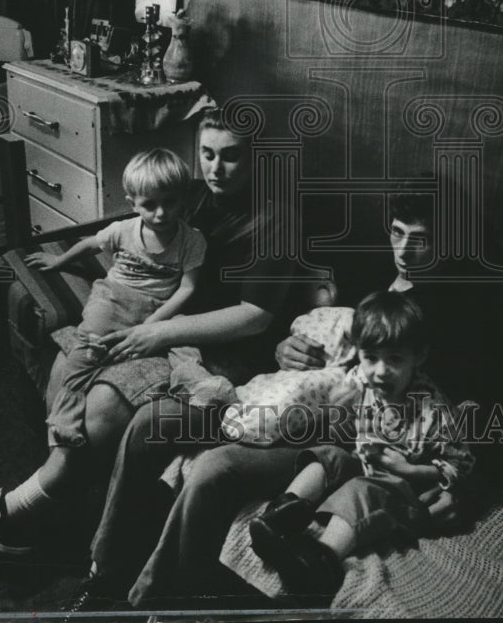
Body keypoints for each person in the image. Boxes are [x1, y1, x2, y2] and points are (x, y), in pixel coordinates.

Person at [74, 189, 479, 609]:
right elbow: (309, 320)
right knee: (153, 423)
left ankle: (163, 600)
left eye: (422, 239)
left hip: (341, 437)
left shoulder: (460, 313)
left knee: (215, 467)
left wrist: (459, 487)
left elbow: (484, 416)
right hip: (291, 393)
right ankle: (105, 572)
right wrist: (286, 346)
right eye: (398, 233)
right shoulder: (369, 273)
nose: (405, 250)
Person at [0, 108, 295, 558]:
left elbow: (255, 316)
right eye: (207, 153)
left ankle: (20, 508)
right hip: (162, 319)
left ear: (257, 156)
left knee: (103, 405)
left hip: (220, 344)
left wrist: (159, 333)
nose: (215, 168)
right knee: (69, 363)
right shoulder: (194, 194)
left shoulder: (275, 218)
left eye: (232, 156)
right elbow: (143, 235)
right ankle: (61, 499)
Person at [0, 148, 206, 550]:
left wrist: (155, 326)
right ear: (133, 203)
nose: (162, 214)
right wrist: (58, 262)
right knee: (83, 355)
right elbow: (92, 245)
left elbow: (188, 288)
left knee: (138, 360)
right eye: (151, 205)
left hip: (154, 313)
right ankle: (62, 435)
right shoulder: (125, 230)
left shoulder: (191, 240)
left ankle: (30, 504)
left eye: (171, 203)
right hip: (113, 299)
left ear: (185, 199)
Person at [248, 291, 474, 597]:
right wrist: (338, 411)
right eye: (371, 358)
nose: (380, 371)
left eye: (394, 359)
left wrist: (408, 468)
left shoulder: (434, 410)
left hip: (404, 489)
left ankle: (321, 561)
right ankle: (283, 515)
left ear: (418, 357)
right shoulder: (361, 380)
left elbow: (459, 465)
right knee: (329, 456)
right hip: (366, 461)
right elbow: (342, 425)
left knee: (362, 490)